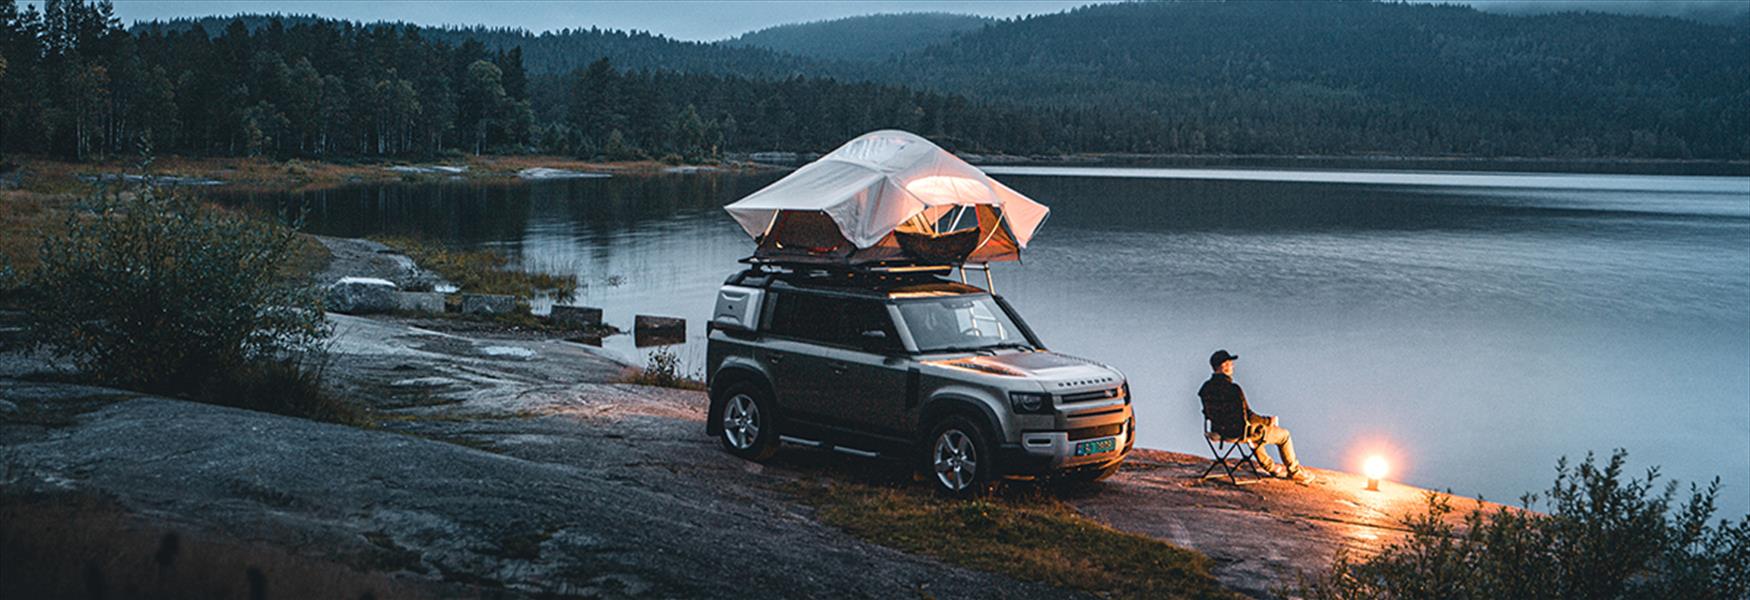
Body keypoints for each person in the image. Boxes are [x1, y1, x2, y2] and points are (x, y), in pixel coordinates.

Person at [1197, 350, 1315, 483]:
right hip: (1237, 432)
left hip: (1218, 431)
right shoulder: (1233, 389)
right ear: (1223, 365)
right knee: (1284, 435)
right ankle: (1294, 472)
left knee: (1252, 431)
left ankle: (1271, 467)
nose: (1232, 366)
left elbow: (1208, 412)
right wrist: (1269, 421)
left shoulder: (1205, 388)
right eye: (1230, 363)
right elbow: (1248, 415)